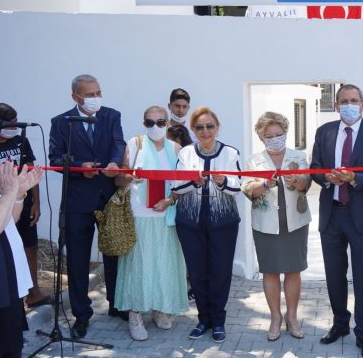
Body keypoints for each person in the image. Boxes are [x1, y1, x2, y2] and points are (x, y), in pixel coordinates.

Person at [310, 84, 363, 358]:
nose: (349, 105)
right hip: (332, 214)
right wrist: (325, 178)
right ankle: (340, 323)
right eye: (343, 101)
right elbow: (315, 167)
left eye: (354, 100)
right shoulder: (324, 132)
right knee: (334, 275)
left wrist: (353, 178)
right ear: (336, 105)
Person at [48, 74, 127, 339]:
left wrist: (115, 162)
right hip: (77, 201)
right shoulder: (61, 122)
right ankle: (81, 315)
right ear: (75, 97)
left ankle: (117, 304)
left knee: (114, 254)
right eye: (90, 94)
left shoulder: (111, 116)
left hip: (108, 197)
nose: (96, 98)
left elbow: (118, 143)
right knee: (78, 260)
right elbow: (55, 158)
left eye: (98, 93)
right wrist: (79, 167)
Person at [113, 106, 189, 341]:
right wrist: (130, 176)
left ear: (168, 123)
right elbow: (118, 179)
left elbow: (181, 185)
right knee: (139, 266)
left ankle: (159, 309)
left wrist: (169, 200)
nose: (155, 127)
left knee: (164, 265)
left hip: (166, 216)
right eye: (149, 123)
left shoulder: (176, 149)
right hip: (140, 215)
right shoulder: (134, 144)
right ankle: (135, 315)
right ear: (143, 123)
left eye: (160, 122)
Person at [171, 107, 242, 342]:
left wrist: (223, 181)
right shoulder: (185, 153)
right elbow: (175, 185)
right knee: (197, 272)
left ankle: (218, 320)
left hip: (223, 222)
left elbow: (238, 186)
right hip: (190, 222)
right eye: (199, 127)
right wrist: (193, 181)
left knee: (220, 271)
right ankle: (203, 319)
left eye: (210, 126)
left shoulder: (230, 153)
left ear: (217, 128)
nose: (205, 131)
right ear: (193, 130)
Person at [241, 111, 311, 341]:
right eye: (269, 136)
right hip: (266, 224)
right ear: (262, 137)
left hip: (295, 223)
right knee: (270, 271)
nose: (274, 139)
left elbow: (307, 183)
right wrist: (263, 184)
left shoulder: (298, 156)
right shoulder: (254, 160)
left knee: (293, 270)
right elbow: (247, 189)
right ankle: (275, 317)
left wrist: (296, 180)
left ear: (285, 133)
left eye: (278, 134)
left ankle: (292, 317)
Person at [0, 103, 50, 309]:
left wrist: (36, 202)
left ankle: (34, 293)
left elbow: (31, 172)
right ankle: (14, 295)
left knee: (30, 245)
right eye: (8, 123)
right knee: (7, 248)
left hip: (24, 201)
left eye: (15, 121)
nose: (14, 126)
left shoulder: (21, 141)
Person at [0, 161, 42, 358]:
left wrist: (17, 194)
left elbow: (9, 219)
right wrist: (10, 192)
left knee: (10, 350)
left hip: (8, 287)